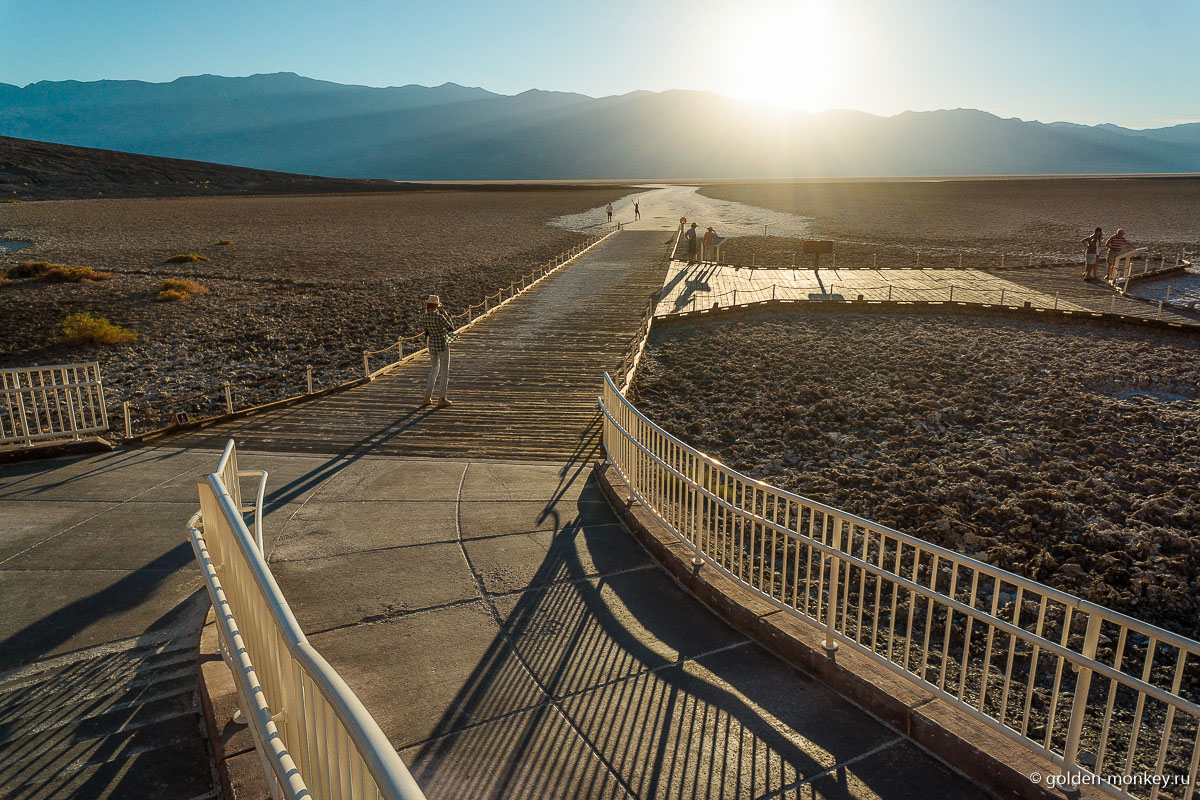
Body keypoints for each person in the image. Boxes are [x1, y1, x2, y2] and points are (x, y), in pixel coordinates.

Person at [421, 294, 455, 407]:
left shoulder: (424, 317)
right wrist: (446, 316)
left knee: (434, 370)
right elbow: (451, 327)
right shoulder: (439, 317)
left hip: (432, 346)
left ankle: (427, 397)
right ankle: (442, 398)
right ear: (436, 305)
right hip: (442, 345)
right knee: (444, 372)